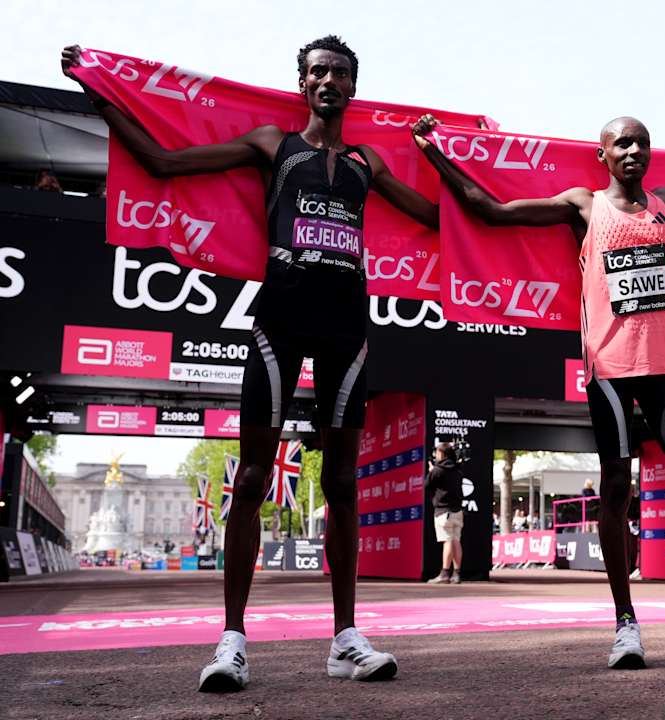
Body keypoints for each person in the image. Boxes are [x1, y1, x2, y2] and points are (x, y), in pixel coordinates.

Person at [62, 36, 441, 690]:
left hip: (347, 325)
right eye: (318, 72)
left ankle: (345, 639)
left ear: (352, 87)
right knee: (252, 478)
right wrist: (98, 93)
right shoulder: (274, 145)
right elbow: (160, 162)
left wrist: (438, 155)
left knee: (342, 483)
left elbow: (437, 218)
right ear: (303, 84)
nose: (328, 81)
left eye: (339, 73)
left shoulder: (367, 161)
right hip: (280, 321)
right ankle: (231, 641)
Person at [413, 115, 665, 669]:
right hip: (611, 368)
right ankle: (626, 625)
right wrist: (435, 153)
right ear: (603, 155)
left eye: (642, 142)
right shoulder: (584, 205)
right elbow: (492, 211)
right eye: (622, 143)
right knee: (617, 486)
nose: (633, 150)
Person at [426, 442, 465, 584]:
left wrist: (431, 471)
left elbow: (426, 485)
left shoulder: (437, 470)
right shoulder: (458, 470)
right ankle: (457, 573)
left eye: (437, 452)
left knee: (447, 541)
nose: (435, 455)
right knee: (456, 541)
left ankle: (444, 573)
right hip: (457, 511)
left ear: (442, 454)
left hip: (443, 512)